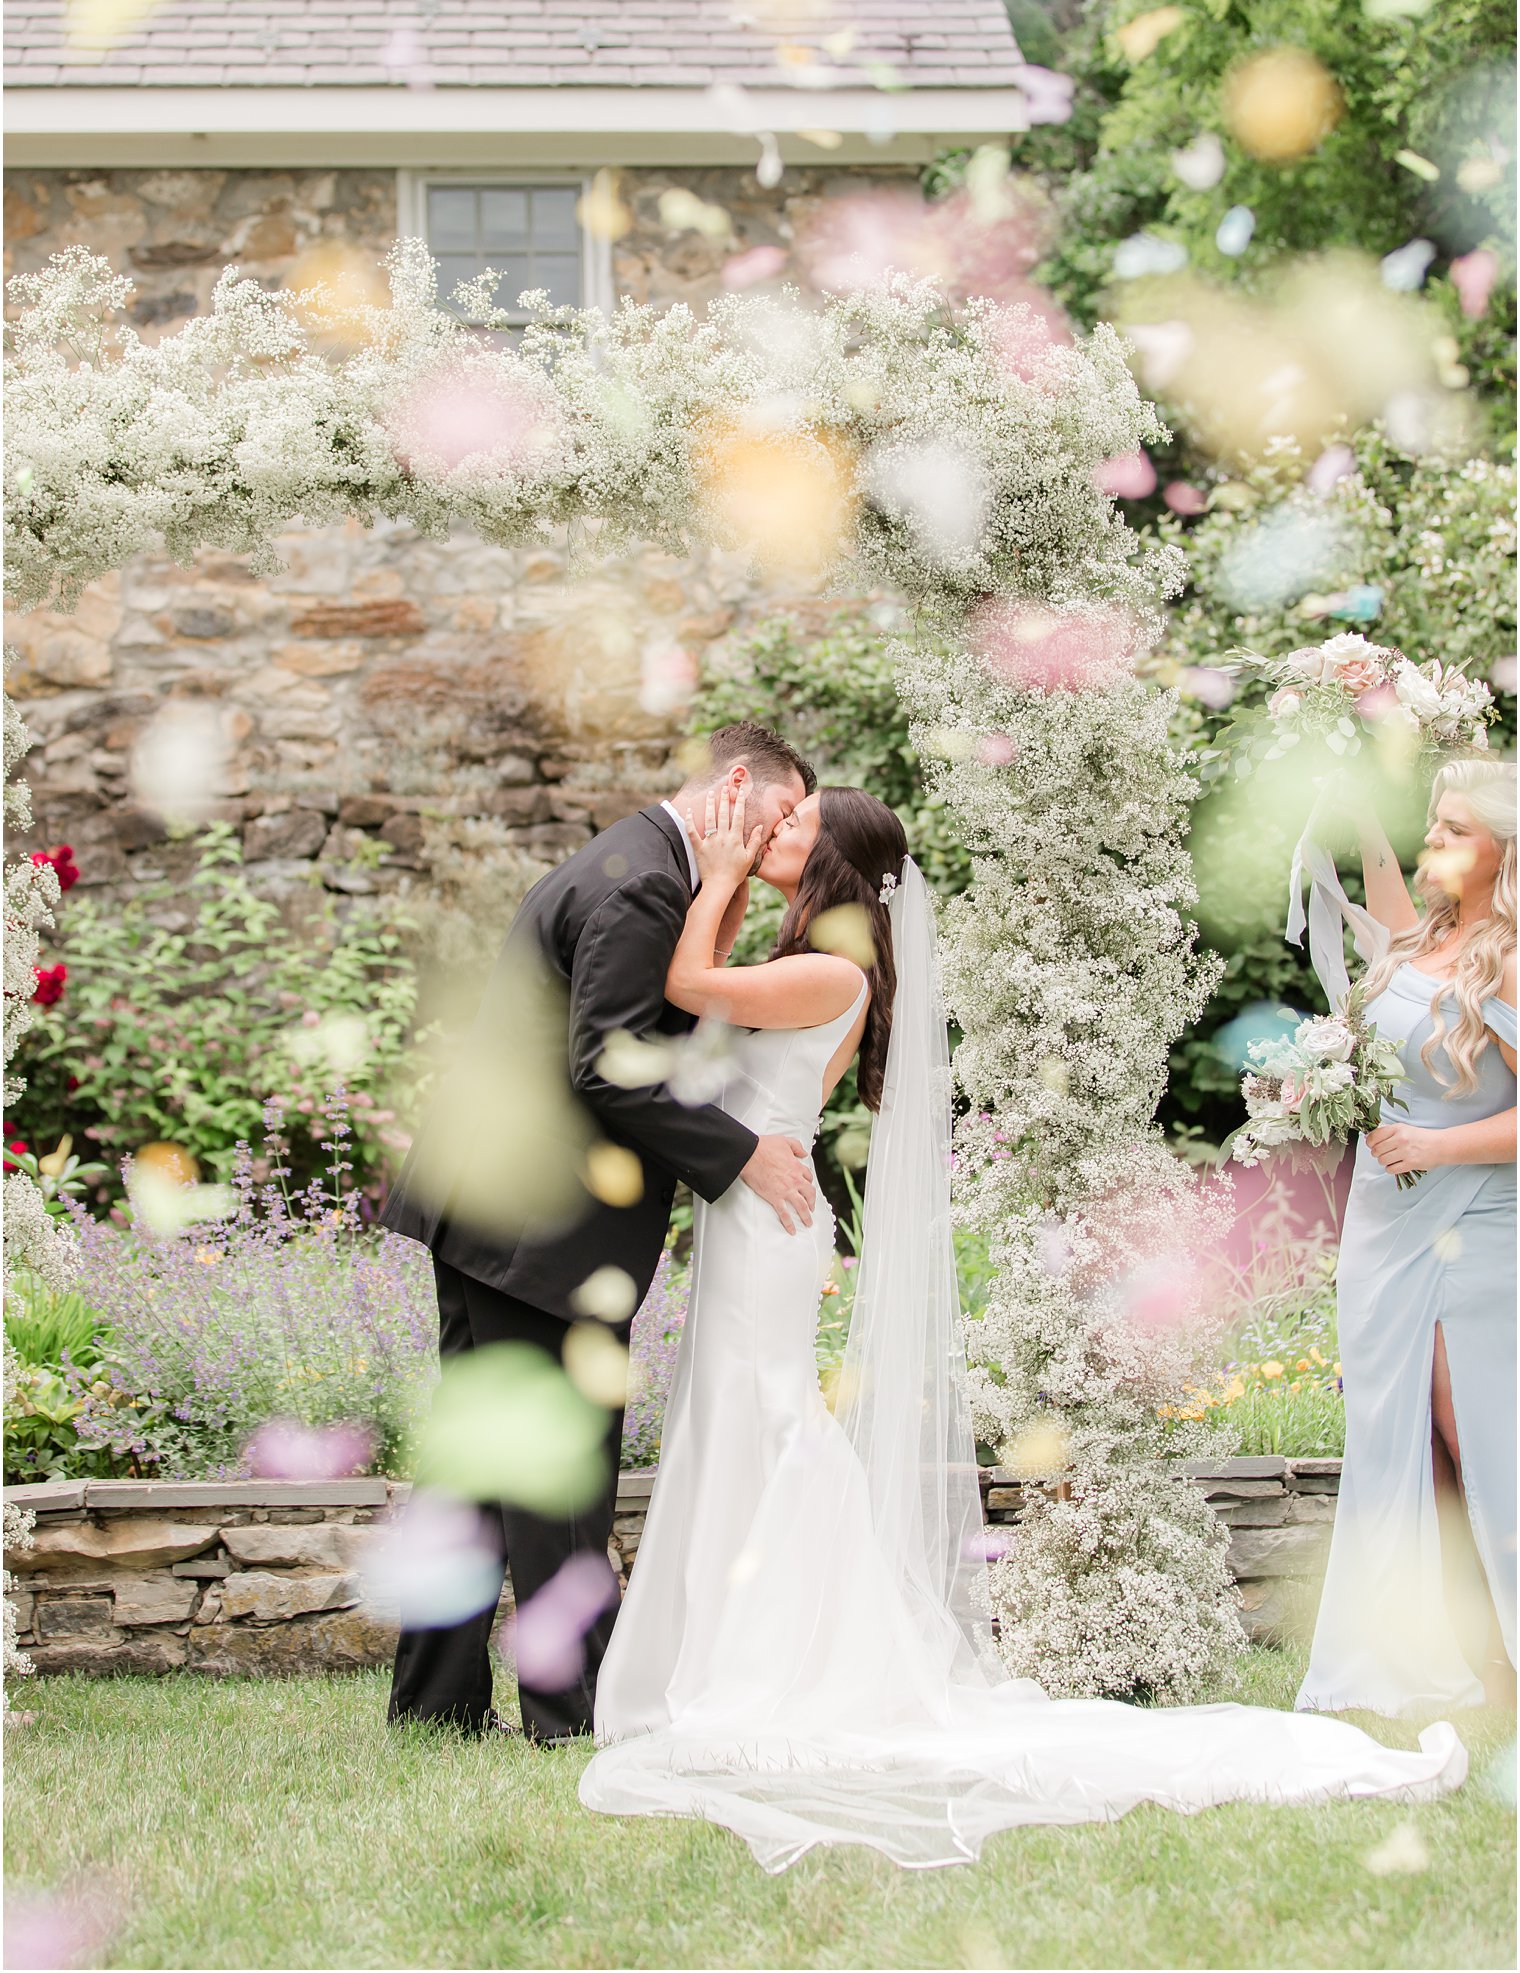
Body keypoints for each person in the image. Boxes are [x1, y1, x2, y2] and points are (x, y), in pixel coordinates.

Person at [578, 784, 1467, 1872]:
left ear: (834, 872)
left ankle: (807, 1660)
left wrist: (710, 869)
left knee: (770, 1418)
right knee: (730, 1416)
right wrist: (722, 886)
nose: (769, 832)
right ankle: (714, 1648)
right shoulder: (795, 957)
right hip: (749, 1216)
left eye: (791, 830)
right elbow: (702, 1005)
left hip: (767, 1226)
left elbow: (677, 982)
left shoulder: (827, 972)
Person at [379, 721, 819, 1743]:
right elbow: (606, 1064)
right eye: (784, 811)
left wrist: (727, 891)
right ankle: (573, 1713)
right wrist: (738, 1151)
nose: (786, 831)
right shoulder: (639, 884)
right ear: (738, 784)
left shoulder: (647, 863)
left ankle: (435, 1707)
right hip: (535, 1226)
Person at [1298, 759, 1516, 1718]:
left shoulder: (1507, 956)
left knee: (1483, 1438)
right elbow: (1386, 913)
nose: (1437, 841)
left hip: (1473, 1221)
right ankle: (1434, 1656)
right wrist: (1363, 819)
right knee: (1400, 1438)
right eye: (1433, 824)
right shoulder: (1424, 938)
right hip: (1383, 1225)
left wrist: (1436, 1140)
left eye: (1455, 829)